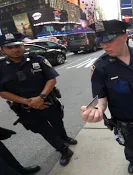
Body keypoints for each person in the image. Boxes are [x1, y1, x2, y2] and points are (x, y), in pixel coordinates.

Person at [81, 20, 133, 174]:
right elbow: (101, 99)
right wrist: (98, 110)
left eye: (110, 41)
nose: (105, 46)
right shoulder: (101, 67)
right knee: (130, 148)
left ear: (125, 37)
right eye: (101, 42)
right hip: (125, 123)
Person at [0, 32, 76, 166]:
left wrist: (41, 97)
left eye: (17, 45)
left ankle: (64, 138)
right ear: (2, 50)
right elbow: (2, 92)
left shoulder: (37, 59)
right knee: (44, 130)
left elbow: (51, 79)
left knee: (57, 122)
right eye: (9, 47)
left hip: (48, 101)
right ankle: (64, 150)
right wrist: (28, 102)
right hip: (26, 108)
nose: (15, 49)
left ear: (23, 45)